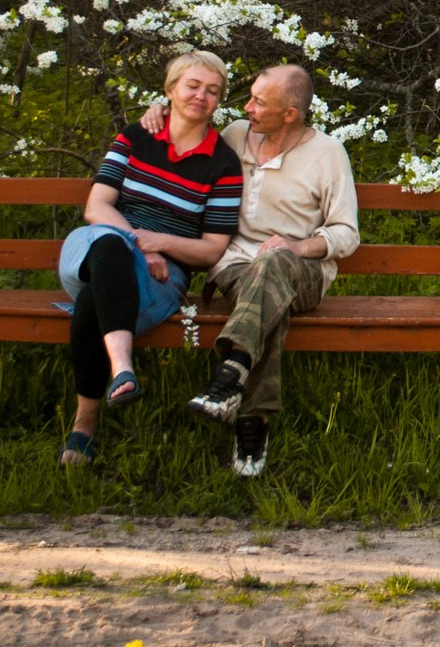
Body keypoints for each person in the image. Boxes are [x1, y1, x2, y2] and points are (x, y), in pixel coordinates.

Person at [148, 63, 358, 477]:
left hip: (302, 272)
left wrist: (298, 246)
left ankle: (229, 377)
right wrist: (156, 110)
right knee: (265, 297)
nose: (247, 107)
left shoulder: (327, 153)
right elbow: (182, 128)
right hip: (234, 267)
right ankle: (250, 417)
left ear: (289, 114)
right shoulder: (234, 136)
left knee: (274, 262)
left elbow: (346, 233)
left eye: (259, 102)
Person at [56, 50, 241, 467]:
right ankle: (122, 365)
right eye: (192, 86)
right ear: (170, 90)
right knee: (109, 246)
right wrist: (140, 244)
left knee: (91, 303)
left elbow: (212, 248)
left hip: (161, 276)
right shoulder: (135, 136)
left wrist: (161, 244)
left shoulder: (223, 163)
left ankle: (84, 425)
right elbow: (97, 206)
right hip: (96, 246)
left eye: (213, 91)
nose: (201, 96)